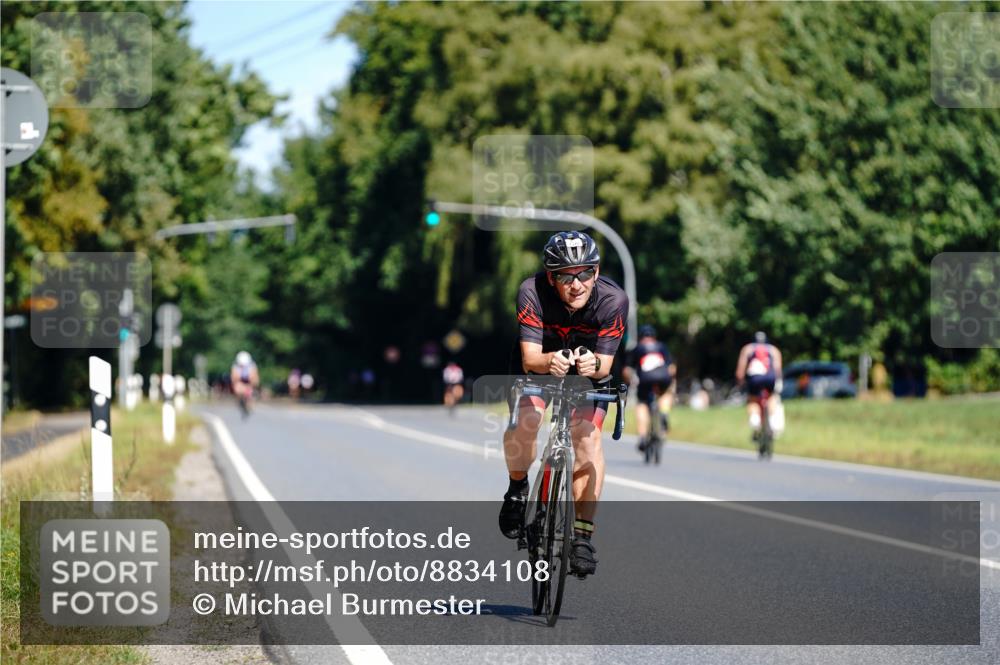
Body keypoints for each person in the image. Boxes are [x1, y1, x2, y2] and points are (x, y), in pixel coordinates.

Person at [499, 230, 629, 577]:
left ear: (597, 273)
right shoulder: (532, 292)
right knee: (526, 421)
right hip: (541, 366)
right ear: (550, 277)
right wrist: (549, 361)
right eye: (565, 276)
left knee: (587, 439)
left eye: (585, 273)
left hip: (588, 374)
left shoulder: (613, 300)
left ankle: (583, 536)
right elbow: (530, 357)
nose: (577, 284)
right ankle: (517, 488)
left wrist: (593, 366)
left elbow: (606, 364)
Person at [623, 325, 676, 454]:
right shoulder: (661, 346)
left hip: (645, 380)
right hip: (663, 379)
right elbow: (672, 367)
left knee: (642, 404)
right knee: (666, 394)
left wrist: (629, 382)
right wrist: (671, 381)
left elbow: (627, 370)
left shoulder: (637, 348)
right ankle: (663, 413)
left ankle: (642, 437)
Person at [734, 332, 783, 440]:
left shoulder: (747, 349)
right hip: (770, 377)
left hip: (754, 378)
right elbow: (778, 370)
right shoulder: (774, 350)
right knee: (771, 397)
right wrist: (778, 382)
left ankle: (754, 419)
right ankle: (772, 421)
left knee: (752, 399)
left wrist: (740, 382)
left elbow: (740, 371)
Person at [230, 351, 260, 417]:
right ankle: (240, 401)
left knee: (250, 393)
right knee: (238, 389)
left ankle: (248, 403)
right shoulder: (235, 366)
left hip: (249, 382)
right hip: (240, 381)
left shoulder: (252, 366)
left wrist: (251, 386)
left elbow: (255, 378)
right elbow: (234, 378)